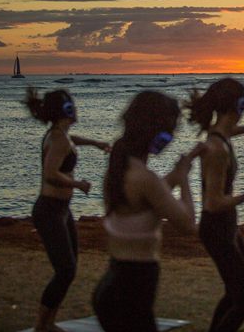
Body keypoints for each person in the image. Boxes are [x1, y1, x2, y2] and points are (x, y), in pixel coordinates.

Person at [92, 91, 200, 332]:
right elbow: (188, 225)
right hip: (132, 291)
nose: (172, 137)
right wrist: (183, 179)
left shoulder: (121, 168)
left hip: (116, 285)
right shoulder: (144, 178)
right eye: (171, 129)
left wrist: (178, 170)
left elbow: (149, 200)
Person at [185, 77, 244, 332]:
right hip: (216, 228)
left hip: (226, 227)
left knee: (234, 294)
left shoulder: (218, 136)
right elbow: (213, 203)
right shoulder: (217, 150)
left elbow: (228, 131)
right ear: (237, 105)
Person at [23, 87, 110, 332]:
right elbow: (50, 174)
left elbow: (74, 141)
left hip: (60, 209)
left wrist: (96, 142)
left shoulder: (60, 134)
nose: (76, 108)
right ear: (66, 110)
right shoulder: (59, 139)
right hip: (49, 210)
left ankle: (48, 322)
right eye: (72, 105)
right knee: (65, 270)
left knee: (69, 268)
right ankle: (42, 325)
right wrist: (77, 184)